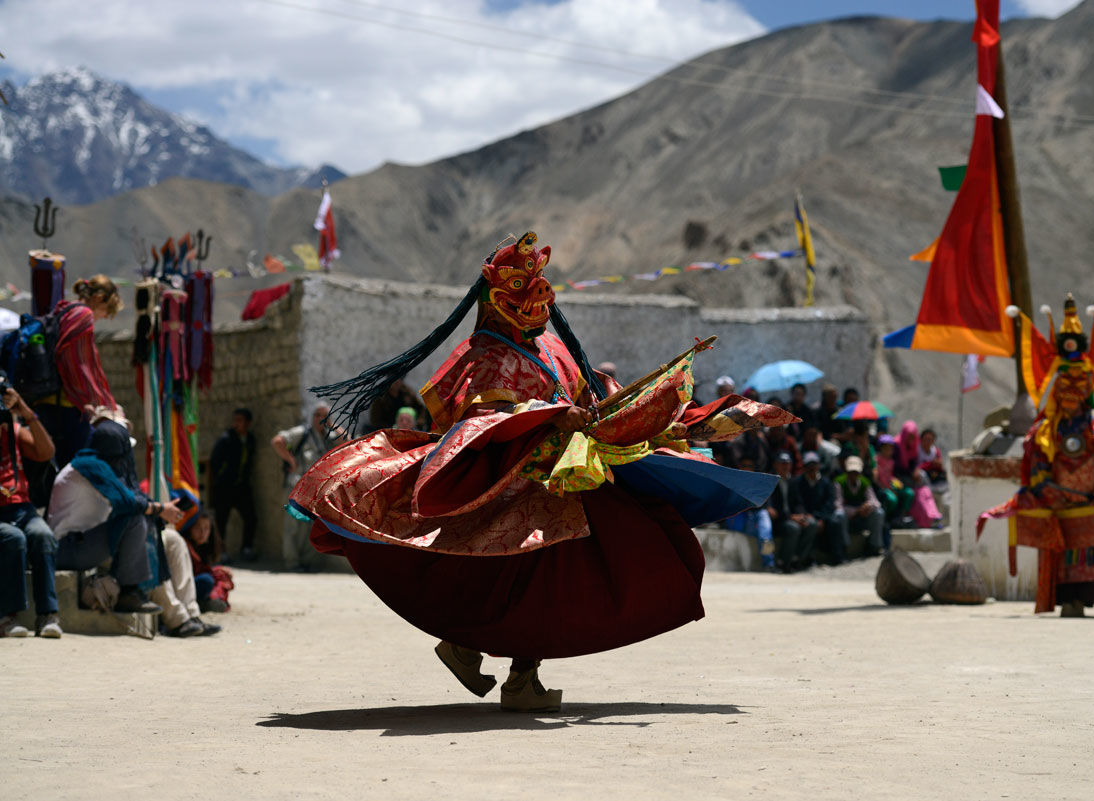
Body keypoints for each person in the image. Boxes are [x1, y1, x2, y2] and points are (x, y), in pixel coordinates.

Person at [290, 231, 789, 712]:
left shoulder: (552, 347)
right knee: (539, 580)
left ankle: (478, 653)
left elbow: (589, 392)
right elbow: (480, 422)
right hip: (516, 487)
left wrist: (640, 407)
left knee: (565, 573)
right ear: (492, 297)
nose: (535, 307)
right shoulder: (482, 357)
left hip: (570, 482)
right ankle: (503, 667)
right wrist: (551, 415)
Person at [979, 294, 1094, 618]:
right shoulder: (1044, 432)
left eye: (1079, 381)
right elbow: (1039, 465)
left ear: (1090, 384)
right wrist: (1049, 490)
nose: (1071, 387)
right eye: (1064, 380)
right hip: (1063, 503)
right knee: (1068, 544)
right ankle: (1074, 601)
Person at [49, 419, 183, 617]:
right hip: (66, 549)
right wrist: (161, 508)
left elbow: (131, 498)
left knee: (143, 521)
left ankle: (162, 606)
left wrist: (156, 509)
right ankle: (129, 592)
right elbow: (127, 503)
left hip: (77, 544)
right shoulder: (91, 466)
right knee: (134, 519)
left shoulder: (93, 464)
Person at [33, 275, 124, 469]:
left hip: (48, 402)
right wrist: (89, 400)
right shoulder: (83, 315)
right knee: (78, 469)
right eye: (107, 310)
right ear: (99, 299)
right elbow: (77, 363)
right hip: (66, 407)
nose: (106, 316)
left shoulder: (65, 310)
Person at [0, 386, 59, 637]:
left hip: (21, 508)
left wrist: (23, 410)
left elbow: (46, 452)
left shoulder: (14, 433)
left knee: (42, 535)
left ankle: (48, 615)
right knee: (14, 539)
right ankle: (7, 616)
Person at [271, 403, 343, 571]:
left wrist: (333, 424)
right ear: (312, 417)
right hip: (297, 486)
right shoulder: (302, 433)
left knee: (311, 526)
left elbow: (348, 440)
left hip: (317, 489)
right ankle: (292, 562)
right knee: (293, 526)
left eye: (324, 416)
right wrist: (291, 460)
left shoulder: (328, 435)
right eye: (317, 415)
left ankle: (306, 562)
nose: (320, 419)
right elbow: (277, 441)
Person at [209, 407, 258, 561]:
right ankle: (220, 552)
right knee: (221, 520)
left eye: (240, 420)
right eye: (235, 420)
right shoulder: (226, 439)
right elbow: (214, 462)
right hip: (225, 487)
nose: (236, 424)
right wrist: (221, 478)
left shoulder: (250, 439)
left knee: (251, 517)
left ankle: (246, 548)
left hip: (241, 487)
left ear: (248, 423)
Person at [765, 452, 816, 573]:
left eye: (787, 464)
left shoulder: (793, 481)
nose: (785, 466)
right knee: (793, 528)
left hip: (792, 517)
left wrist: (802, 515)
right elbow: (773, 508)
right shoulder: (770, 481)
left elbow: (798, 502)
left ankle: (798, 559)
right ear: (775, 465)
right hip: (779, 520)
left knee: (812, 524)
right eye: (782, 463)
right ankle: (783, 562)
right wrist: (792, 517)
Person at [793, 451, 846, 565]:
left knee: (835, 522)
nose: (812, 468)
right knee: (811, 524)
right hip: (805, 516)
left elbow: (829, 504)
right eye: (809, 465)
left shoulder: (826, 483)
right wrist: (805, 515)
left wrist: (820, 517)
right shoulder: (797, 482)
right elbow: (797, 502)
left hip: (822, 516)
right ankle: (804, 558)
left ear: (818, 466)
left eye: (814, 464)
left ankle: (837, 556)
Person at [180, 510, 234, 613]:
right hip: (185, 587)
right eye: (198, 528)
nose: (203, 533)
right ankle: (203, 604)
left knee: (221, 576)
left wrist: (218, 571)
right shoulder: (184, 545)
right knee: (206, 580)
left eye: (206, 528)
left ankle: (204, 602)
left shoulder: (204, 548)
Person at [835, 456, 885, 558]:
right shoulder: (839, 482)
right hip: (848, 517)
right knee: (838, 515)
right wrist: (856, 511)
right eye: (851, 472)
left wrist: (867, 506)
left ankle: (874, 545)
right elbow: (837, 505)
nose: (854, 475)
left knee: (879, 513)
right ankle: (844, 547)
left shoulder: (865, 482)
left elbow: (875, 502)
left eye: (856, 472)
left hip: (863, 516)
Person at [875, 434, 914, 527]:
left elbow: (890, 476)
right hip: (883, 488)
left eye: (891, 448)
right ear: (881, 448)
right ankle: (887, 518)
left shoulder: (891, 461)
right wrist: (889, 489)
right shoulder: (876, 460)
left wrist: (897, 483)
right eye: (886, 448)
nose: (889, 451)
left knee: (909, 493)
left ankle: (902, 516)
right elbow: (878, 479)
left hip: (891, 486)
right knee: (893, 499)